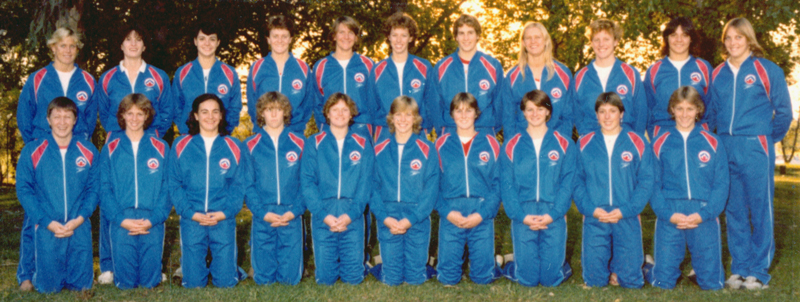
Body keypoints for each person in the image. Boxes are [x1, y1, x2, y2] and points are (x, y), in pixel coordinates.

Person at [707, 17, 792, 290]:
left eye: (738, 37)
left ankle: (758, 271)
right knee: (734, 210)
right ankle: (739, 268)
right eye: (728, 38)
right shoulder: (717, 73)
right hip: (726, 146)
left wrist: (765, 138)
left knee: (760, 208)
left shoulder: (767, 70)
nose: (733, 43)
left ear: (749, 39)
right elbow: (710, 113)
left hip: (756, 146)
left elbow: (784, 112)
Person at [15, 27, 97, 291]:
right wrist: (37, 147)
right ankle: (27, 272)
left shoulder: (87, 80)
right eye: (62, 45)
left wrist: (79, 144)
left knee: (74, 211)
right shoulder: (37, 78)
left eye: (72, 45)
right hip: (44, 149)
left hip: (75, 150)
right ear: (52, 48)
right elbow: (25, 118)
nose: (68, 50)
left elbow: (90, 118)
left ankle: (74, 268)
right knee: (35, 216)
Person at [94, 23, 173, 284]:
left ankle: (153, 262)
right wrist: (117, 134)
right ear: (121, 44)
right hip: (119, 142)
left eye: (138, 39)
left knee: (151, 196)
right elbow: (105, 112)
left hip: (148, 140)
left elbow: (166, 110)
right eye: (128, 39)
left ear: (144, 44)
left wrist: (152, 134)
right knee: (113, 197)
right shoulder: (107, 78)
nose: (133, 44)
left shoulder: (158, 76)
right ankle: (109, 265)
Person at [643, 86, 728, 290]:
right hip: (671, 212)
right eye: (679, 108)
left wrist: (705, 214)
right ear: (672, 109)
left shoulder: (713, 142)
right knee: (663, 283)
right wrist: (667, 214)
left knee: (712, 284)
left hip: (703, 211)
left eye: (689, 109)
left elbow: (721, 183)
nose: (684, 114)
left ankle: (700, 269)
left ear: (698, 110)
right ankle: (647, 265)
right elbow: (652, 184)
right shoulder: (659, 142)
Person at [573, 92, 655, 288]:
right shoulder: (584, 142)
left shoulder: (637, 141)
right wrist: (590, 209)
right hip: (596, 215)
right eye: (602, 112)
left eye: (612, 111)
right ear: (596, 115)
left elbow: (646, 180)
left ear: (622, 114)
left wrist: (627, 209)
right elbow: (576, 180)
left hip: (625, 214)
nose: (607, 116)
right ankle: (613, 266)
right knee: (594, 281)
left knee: (631, 282)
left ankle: (645, 265)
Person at [169, 94, 247, 288]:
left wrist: (225, 213)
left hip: (221, 217)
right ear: (195, 115)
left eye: (215, 111)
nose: (210, 116)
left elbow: (239, 186)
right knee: (194, 283)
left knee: (226, 283)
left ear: (221, 116)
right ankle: (192, 267)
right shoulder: (181, 145)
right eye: (204, 112)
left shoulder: (234, 146)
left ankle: (230, 267)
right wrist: (190, 213)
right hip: (192, 217)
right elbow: (174, 184)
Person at [500, 90, 575, 287]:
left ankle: (562, 265)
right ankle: (510, 264)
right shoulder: (511, 144)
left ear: (548, 112)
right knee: (528, 280)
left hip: (553, 212)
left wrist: (555, 213)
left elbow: (568, 183)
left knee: (551, 280)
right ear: (523, 112)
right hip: (524, 213)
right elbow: (507, 185)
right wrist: (520, 215)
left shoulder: (564, 143)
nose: (535, 114)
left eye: (540, 109)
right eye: (530, 109)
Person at [301, 92, 374, 285]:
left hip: (352, 213)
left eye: (344, 110)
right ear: (327, 114)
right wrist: (323, 215)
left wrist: (351, 215)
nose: (340, 114)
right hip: (324, 213)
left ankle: (362, 263)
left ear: (351, 114)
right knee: (325, 279)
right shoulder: (314, 143)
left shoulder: (363, 144)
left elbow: (365, 184)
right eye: (335, 110)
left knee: (353, 279)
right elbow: (307, 183)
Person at [99, 94, 171, 289]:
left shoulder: (162, 147)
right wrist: (120, 219)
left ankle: (156, 270)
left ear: (147, 116)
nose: (134, 118)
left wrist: (154, 218)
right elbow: (104, 189)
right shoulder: (110, 149)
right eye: (129, 113)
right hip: (122, 217)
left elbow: (167, 187)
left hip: (151, 218)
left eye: (140, 114)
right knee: (126, 283)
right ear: (122, 116)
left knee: (150, 282)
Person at [368, 96, 439, 285]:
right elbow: (373, 187)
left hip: (416, 215)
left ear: (416, 118)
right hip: (389, 215)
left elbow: (431, 189)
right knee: (392, 280)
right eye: (398, 115)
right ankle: (381, 265)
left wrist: (412, 218)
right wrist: (384, 217)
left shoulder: (427, 148)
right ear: (391, 118)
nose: (403, 119)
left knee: (415, 279)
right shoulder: (379, 149)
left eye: (408, 115)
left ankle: (425, 265)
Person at [434, 92, 501, 286]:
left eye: (468, 110)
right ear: (452, 114)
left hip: (480, 211)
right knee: (447, 279)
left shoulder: (490, 143)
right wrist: (447, 212)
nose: (463, 116)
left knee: (482, 279)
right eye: (458, 110)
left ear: (476, 113)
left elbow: (498, 185)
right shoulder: (441, 144)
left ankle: (492, 262)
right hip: (451, 211)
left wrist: (483, 214)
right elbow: (432, 186)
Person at [243, 92, 306, 285]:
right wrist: (262, 212)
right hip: (264, 213)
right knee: (264, 279)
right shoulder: (250, 145)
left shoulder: (300, 143)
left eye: (278, 109)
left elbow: (307, 183)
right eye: (269, 110)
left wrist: (294, 211)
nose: (273, 114)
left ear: (285, 112)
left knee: (290, 279)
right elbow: (247, 184)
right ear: (261, 113)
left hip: (291, 213)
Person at [429, 14, 504, 135]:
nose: (466, 38)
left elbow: (500, 103)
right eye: (461, 33)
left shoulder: (493, 66)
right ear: (456, 37)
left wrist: (490, 128)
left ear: (478, 35)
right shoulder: (442, 67)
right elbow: (434, 104)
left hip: (483, 132)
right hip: (450, 132)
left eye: (470, 32)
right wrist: (442, 130)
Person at [572, 19, 646, 136]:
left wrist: (634, 141)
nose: (601, 44)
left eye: (606, 39)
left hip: (624, 143)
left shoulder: (630, 73)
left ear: (615, 41)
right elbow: (577, 114)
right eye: (597, 40)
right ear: (591, 43)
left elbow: (640, 112)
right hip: (593, 144)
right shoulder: (581, 76)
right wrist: (587, 138)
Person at [644, 17, 714, 138]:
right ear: (667, 38)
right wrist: (656, 135)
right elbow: (647, 109)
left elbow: (712, 106)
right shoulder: (654, 71)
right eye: (674, 35)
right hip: (664, 136)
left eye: (684, 35)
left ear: (691, 38)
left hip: (697, 136)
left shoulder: (703, 68)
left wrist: (704, 132)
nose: (679, 40)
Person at [369, 12, 434, 140]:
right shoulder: (378, 70)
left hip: (416, 133)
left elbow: (431, 102)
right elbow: (371, 106)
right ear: (388, 37)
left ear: (410, 38)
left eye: (403, 35)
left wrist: (424, 127)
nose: (399, 40)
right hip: (385, 134)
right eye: (394, 35)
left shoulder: (423, 67)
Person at [502, 22, 573, 138]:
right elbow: (508, 118)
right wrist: (513, 146)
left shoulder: (563, 74)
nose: (533, 41)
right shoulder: (512, 76)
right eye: (528, 38)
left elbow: (568, 116)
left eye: (537, 37)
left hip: (555, 143)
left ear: (545, 41)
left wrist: (562, 143)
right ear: (523, 43)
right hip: (524, 145)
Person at [310, 16, 375, 139]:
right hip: (331, 130)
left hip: (361, 129)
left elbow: (375, 101)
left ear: (356, 38)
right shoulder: (321, 66)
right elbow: (317, 102)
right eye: (341, 32)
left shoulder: (367, 65)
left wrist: (368, 125)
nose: (346, 37)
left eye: (351, 33)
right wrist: (325, 126)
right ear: (334, 36)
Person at [247, 15, 314, 134]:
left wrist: (297, 126)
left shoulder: (302, 68)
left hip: (294, 134)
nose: (280, 41)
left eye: (284, 36)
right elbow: (252, 103)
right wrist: (262, 127)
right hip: (264, 135)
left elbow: (308, 103)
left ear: (290, 39)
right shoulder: (258, 68)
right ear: (268, 39)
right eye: (275, 36)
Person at [173, 21, 242, 135]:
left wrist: (224, 133)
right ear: (195, 41)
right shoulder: (182, 73)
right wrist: (185, 132)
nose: (207, 43)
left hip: (219, 140)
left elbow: (234, 108)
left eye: (212, 39)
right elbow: (176, 107)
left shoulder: (229, 73)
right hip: (190, 140)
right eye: (202, 39)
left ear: (218, 42)